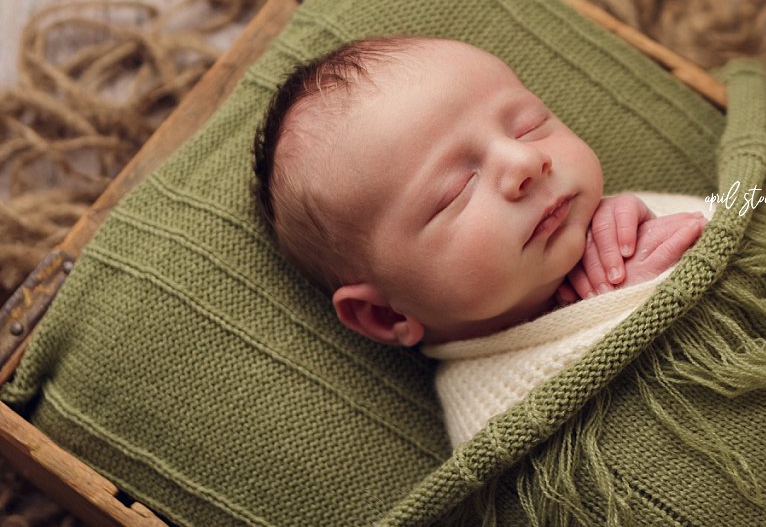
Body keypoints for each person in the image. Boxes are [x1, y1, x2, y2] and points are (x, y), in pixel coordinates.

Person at [253, 35, 708, 444]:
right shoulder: (494, 422)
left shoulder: (618, 218)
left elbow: (761, 209)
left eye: (528, 126)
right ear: (383, 312)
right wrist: (632, 310)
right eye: (455, 191)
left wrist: (681, 229)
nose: (526, 160)